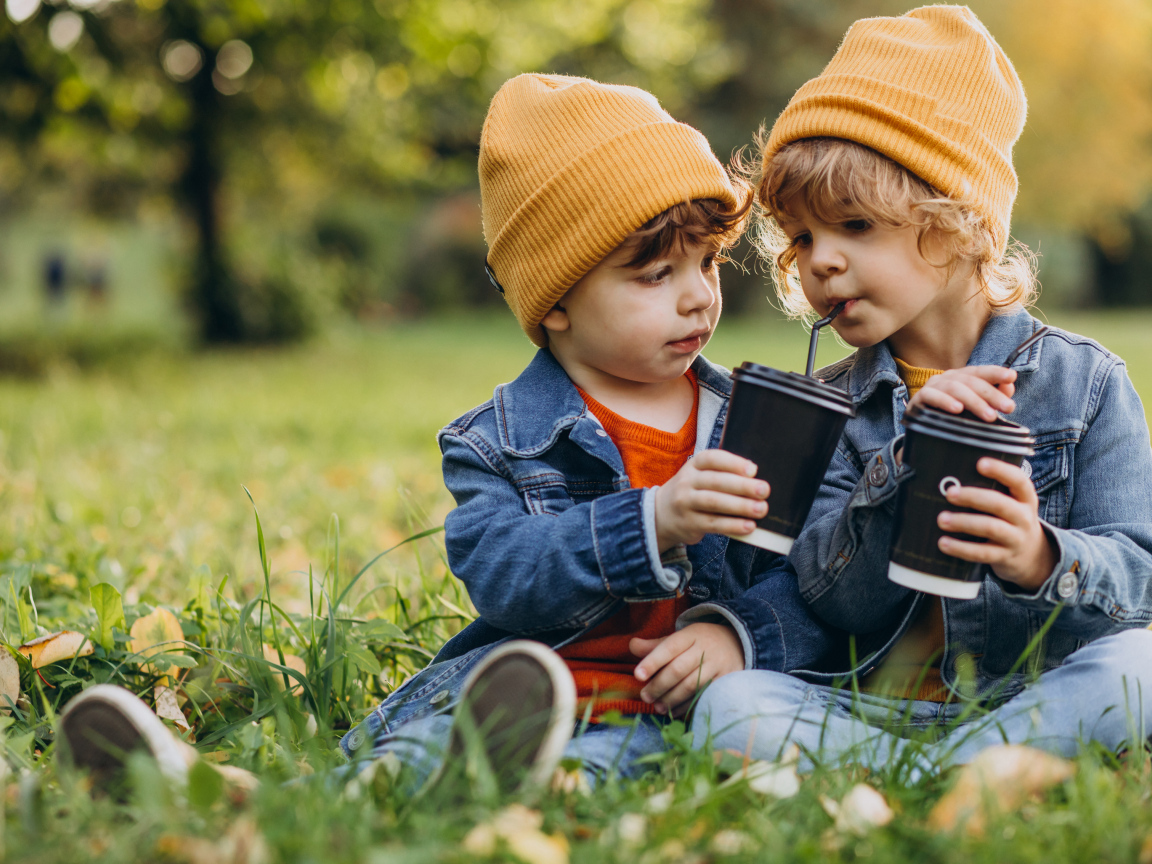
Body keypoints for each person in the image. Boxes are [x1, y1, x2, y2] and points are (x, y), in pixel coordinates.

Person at [335, 73, 835, 794]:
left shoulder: (751, 423)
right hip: (508, 695)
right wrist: (652, 522)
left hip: (650, 719)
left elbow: (812, 575)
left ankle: (517, 786)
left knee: (600, 768)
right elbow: (505, 576)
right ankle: (243, 797)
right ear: (558, 297)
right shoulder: (498, 442)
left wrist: (738, 634)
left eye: (707, 262)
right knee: (416, 750)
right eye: (657, 273)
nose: (698, 295)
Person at [691, 5, 1152, 774]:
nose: (819, 263)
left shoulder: (1086, 384)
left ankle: (952, 764)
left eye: (854, 225)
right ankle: (971, 771)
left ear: (959, 222)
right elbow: (831, 600)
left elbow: (1140, 576)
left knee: (1143, 665)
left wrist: (1041, 557)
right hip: (866, 705)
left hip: (1027, 691)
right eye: (802, 237)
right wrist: (898, 467)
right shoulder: (831, 409)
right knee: (729, 708)